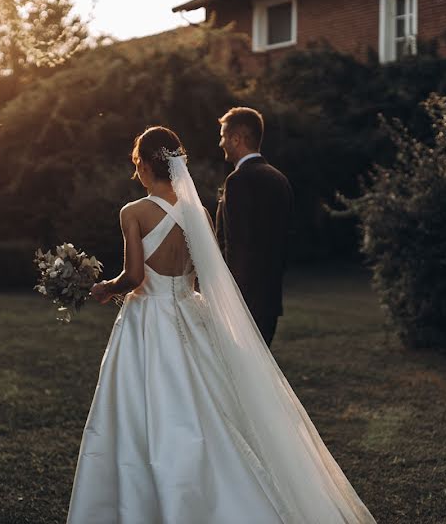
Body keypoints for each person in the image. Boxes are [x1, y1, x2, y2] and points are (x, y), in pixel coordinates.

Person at [67, 126, 375, 524]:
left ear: (143, 164)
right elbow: (200, 272)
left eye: (136, 163)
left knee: (145, 409)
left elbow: (134, 277)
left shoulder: (134, 212)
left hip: (149, 320)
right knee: (211, 406)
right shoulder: (198, 212)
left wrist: (106, 288)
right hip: (191, 314)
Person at [216, 107, 294, 347]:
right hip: (269, 300)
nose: (221, 143)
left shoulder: (239, 180)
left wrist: (230, 299)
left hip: (243, 302)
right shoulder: (279, 179)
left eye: (223, 136)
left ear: (237, 138)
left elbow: (236, 244)